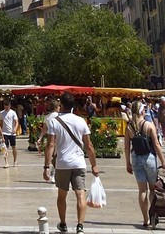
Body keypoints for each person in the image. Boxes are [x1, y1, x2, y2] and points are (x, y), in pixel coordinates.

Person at [44, 91, 99, 234]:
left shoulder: (54, 122)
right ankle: (80, 226)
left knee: (62, 196)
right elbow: (89, 146)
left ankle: (63, 223)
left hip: (62, 163)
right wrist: (94, 165)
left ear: (61, 105)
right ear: (73, 105)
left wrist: (46, 166)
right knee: (80, 194)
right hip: (79, 163)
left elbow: (50, 145)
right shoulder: (81, 121)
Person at [126, 100, 165, 227]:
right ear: (142, 111)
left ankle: (145, 219)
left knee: (142, 190)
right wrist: (163, 162)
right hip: (149, 158)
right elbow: (156, 145)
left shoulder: (129, 127)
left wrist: (127, 163)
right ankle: (152, 213)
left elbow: (127, 146)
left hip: (135, 158)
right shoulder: (149, 125)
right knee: (152, 189)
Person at [0, 100, 20, 167]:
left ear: (10, 105)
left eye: (7, 105)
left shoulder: (13, 112)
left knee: (14, 147)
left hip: (12, 133)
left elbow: (16, 121)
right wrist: (0, 132)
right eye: (5, 105)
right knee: (5, 147)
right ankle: (6, 162)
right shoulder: (2, 113)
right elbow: (1, 122)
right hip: (4, 132)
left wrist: (15, 129)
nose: (6, 107)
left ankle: (15, 161)